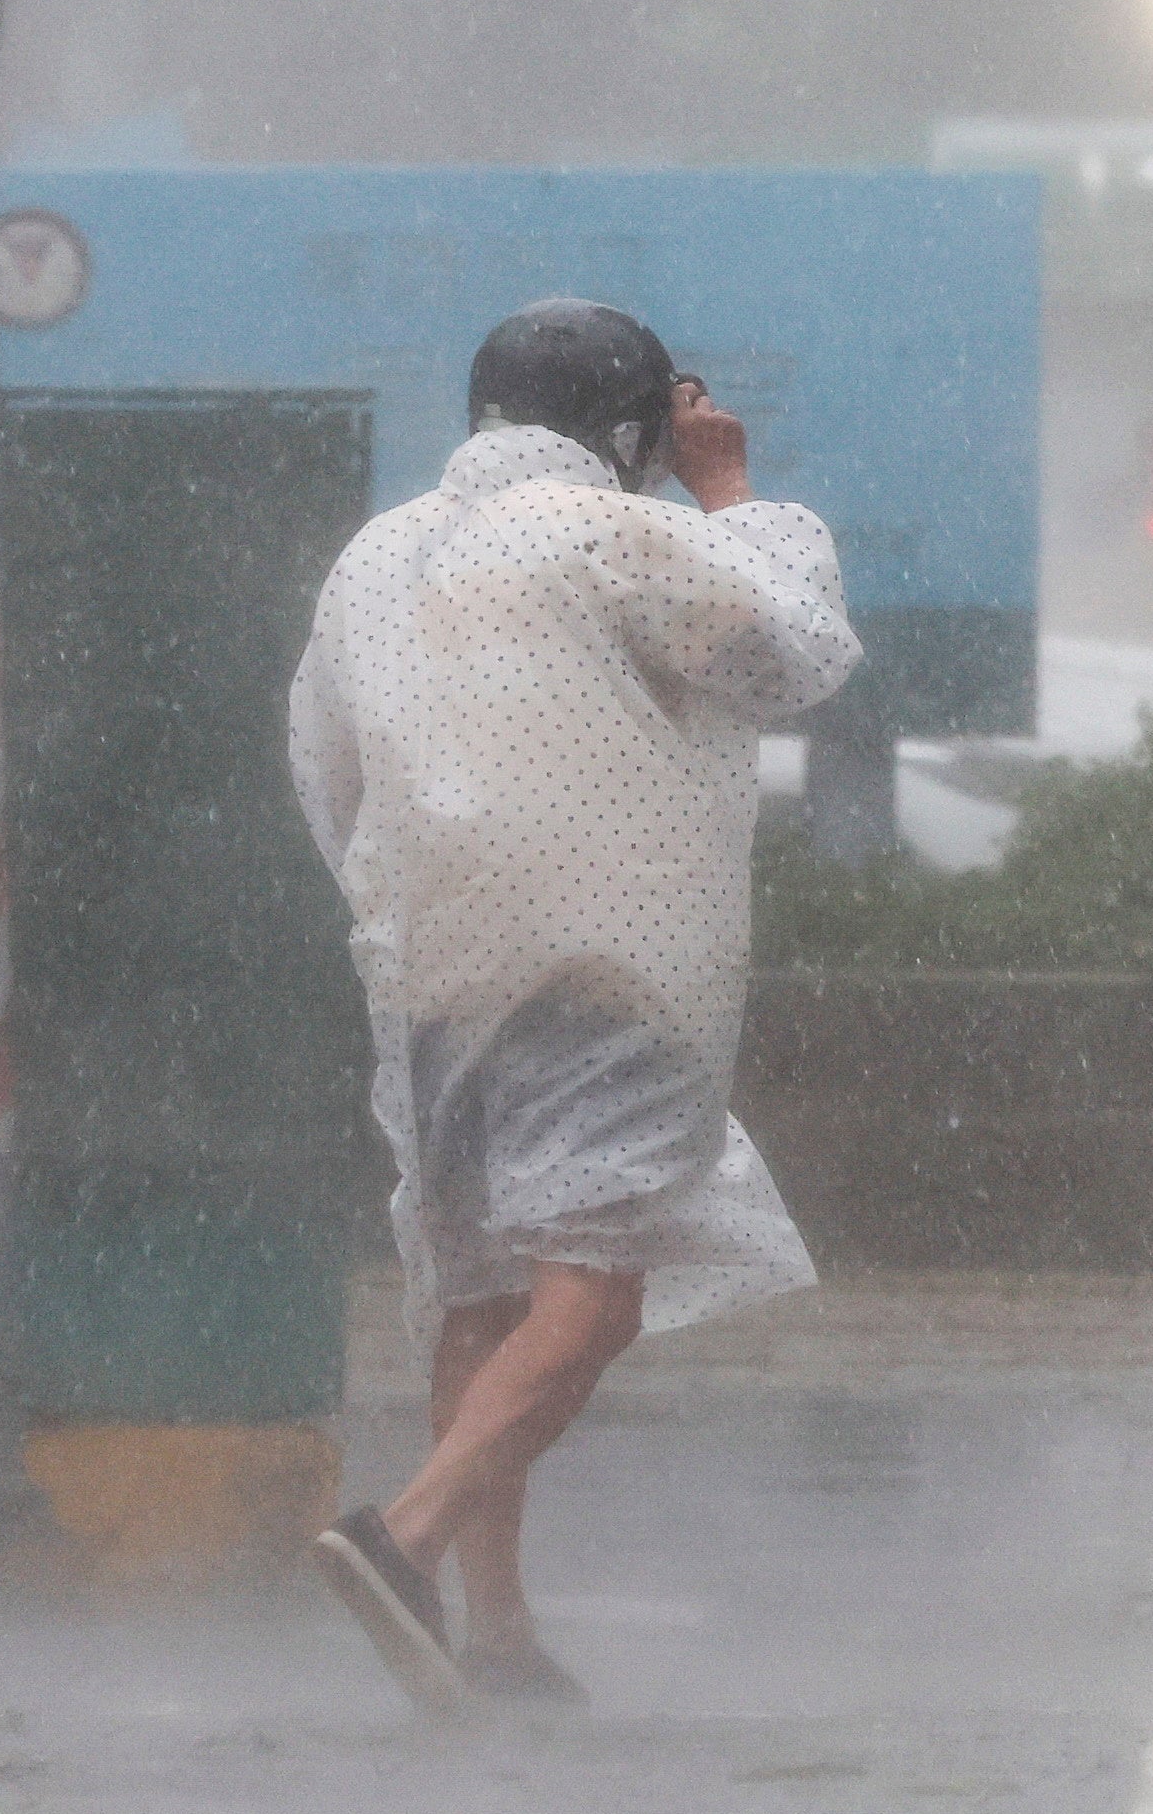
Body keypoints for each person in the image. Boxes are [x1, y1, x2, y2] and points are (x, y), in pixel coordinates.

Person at [285, 296, 863, 1714]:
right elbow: (791, 652)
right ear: (629, 429)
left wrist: (422, 888)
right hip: (611, 962)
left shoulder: (371, 560)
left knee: (479, 1283)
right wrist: (734, 492)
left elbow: (325, 769)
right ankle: (403, 1541)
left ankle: (495, 1632)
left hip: (431, 963)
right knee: (591, 1291)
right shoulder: (613, 530)